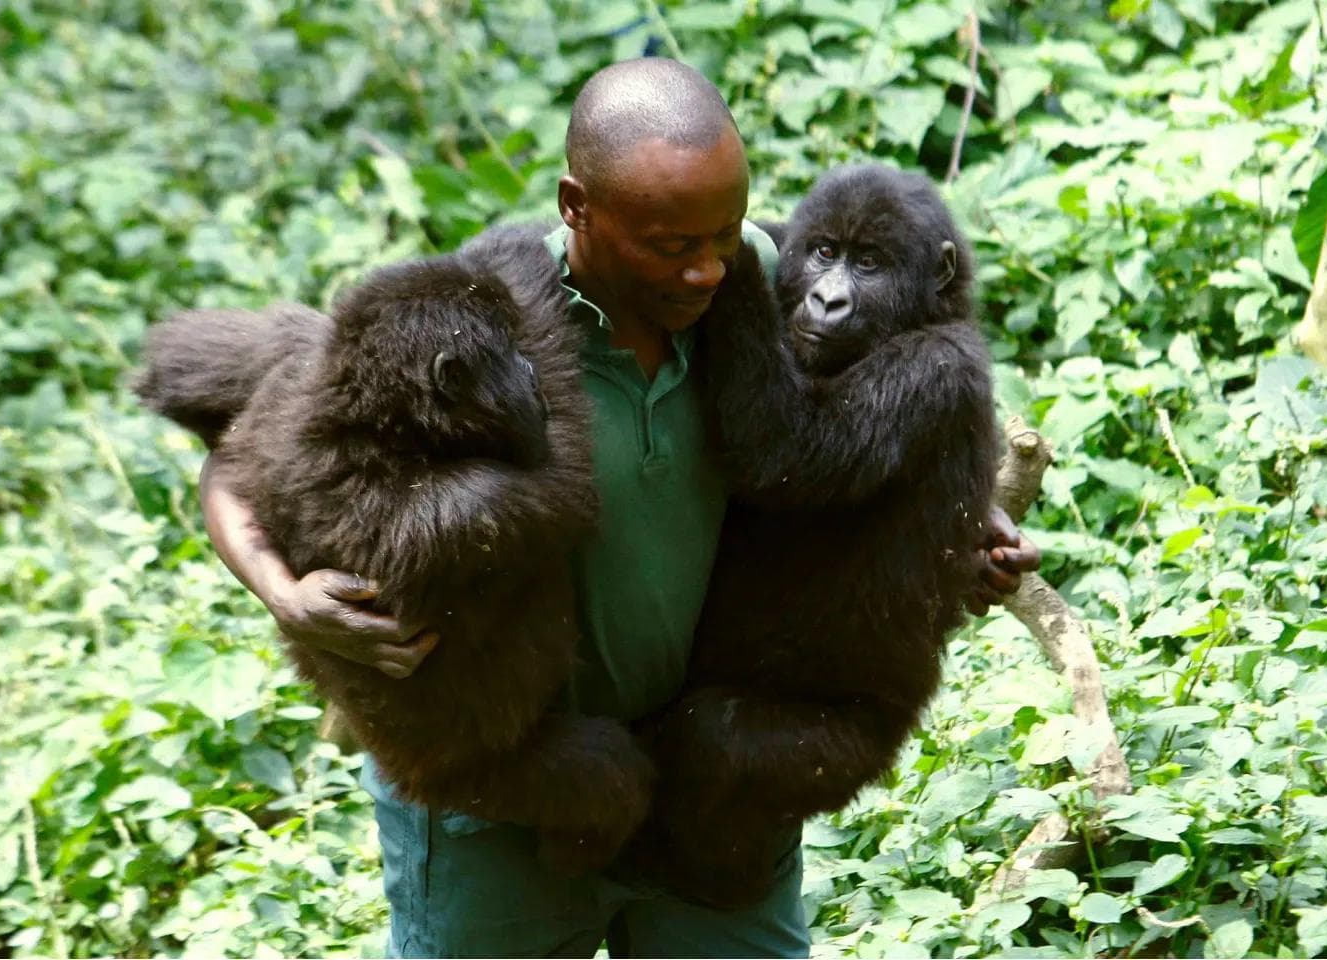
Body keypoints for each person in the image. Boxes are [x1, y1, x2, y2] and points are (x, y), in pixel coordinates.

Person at [197, 58, 1038, 958]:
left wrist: (948, 523)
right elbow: (241, 458)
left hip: (707, 771)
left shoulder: (759, 288)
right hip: (510, 778)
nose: (704, 268)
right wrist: (282, 590)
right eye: (672, 245)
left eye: (725, 232)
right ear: (576, 207)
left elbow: (840, 445)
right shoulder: (481, 315)